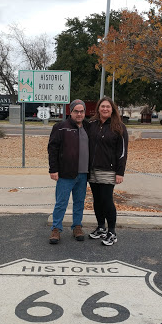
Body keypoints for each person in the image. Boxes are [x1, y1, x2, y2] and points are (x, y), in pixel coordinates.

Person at [47, 99, 90, 244]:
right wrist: (53, 169)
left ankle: (77, 226)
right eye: (76, 111)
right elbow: (52, 150)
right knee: (61, 202)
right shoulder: (60, 127)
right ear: (70, 112)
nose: (79, 114)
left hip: (83, 174)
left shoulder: (88, 128)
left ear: (85, 112)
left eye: (81, 111)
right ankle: (56, 229)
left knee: (79, 202)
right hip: (65, 174)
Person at [88, 96, 128, 246]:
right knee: (97, 201)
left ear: (113, 109)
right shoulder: (92, 124)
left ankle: (112, 232)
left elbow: (123, 152)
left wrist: (120, 172)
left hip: (109, 170)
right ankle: (101, 227)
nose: (105, 109)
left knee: (107, 200)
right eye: (102, 106)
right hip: (92, 170)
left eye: (108, 107)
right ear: (98, 108)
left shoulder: (119, 127)